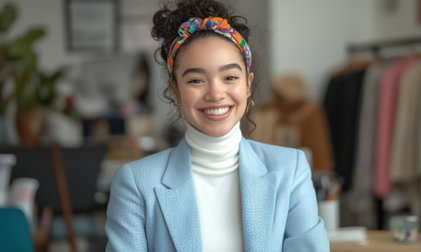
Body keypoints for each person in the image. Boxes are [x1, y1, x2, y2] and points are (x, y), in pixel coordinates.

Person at [105, 0, 329, 251]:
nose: (215, 93)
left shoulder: (290, 170)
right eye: (196, 80)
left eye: (230, 77)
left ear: (248, 84)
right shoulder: (137, 182)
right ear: (175, 91)